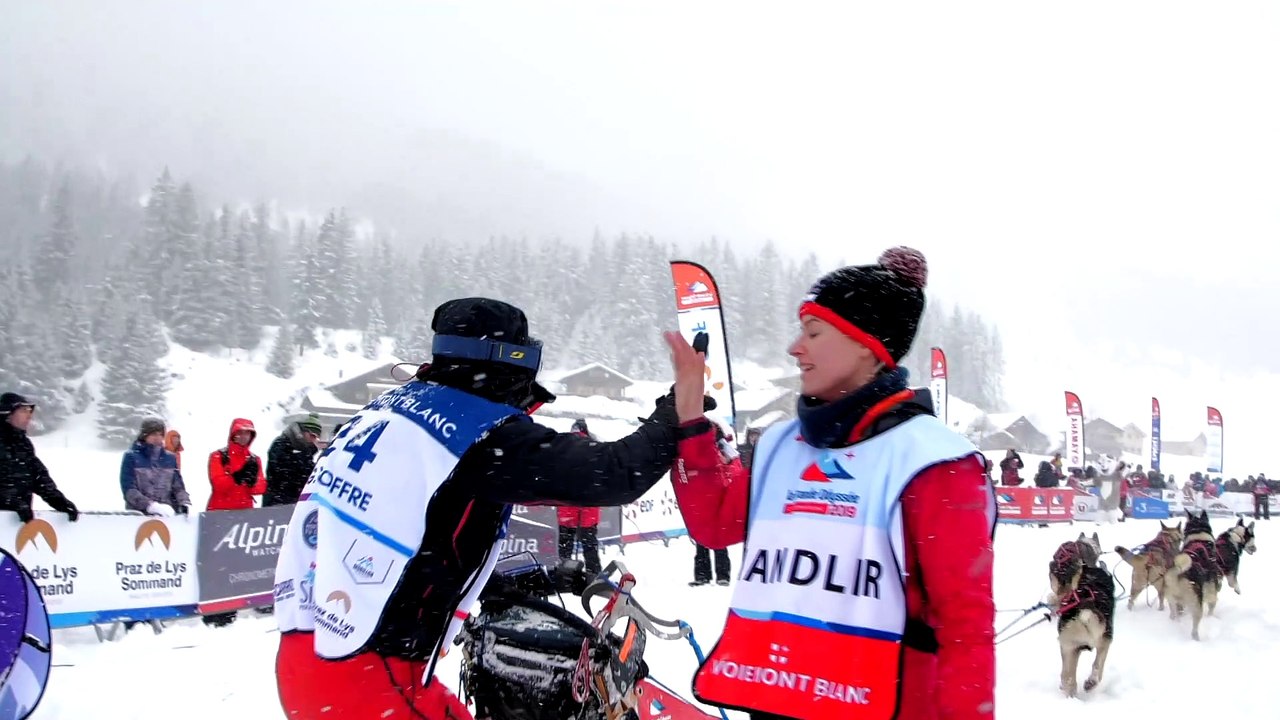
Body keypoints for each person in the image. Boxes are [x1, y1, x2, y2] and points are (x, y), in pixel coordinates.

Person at [273, 297, 703, 720]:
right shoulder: (473, 434)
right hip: (370, 681)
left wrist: (524, 580)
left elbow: (419, 539)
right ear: (507, 363)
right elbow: (615, 473)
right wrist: (676, 406)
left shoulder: (389, 410)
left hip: (312, 655)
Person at [667, 248, 996, 720]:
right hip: (777, 699)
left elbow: (965, 628)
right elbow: (715, 524)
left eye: (813, 332)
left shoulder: (934, 460)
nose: (794, 347)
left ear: (866, 344)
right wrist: (690, 418)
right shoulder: (782, 443)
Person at [0, 392, 78, 523]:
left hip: (17, 524)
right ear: (7, 414)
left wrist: (58, 500)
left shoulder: (23, 444)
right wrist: (10, 502)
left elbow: (38, 476)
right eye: (23, 411)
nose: (29, 415)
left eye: (30, 411)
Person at [691, 422, 740, 587]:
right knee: (701, 539)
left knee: (719, 538)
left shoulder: (724, 448)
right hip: (702, 498)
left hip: (719, 498)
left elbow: (733, 468)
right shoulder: (697, 449)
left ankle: (722, 575)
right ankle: (702, 575)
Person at [555, 418, 603, 575]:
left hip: (566, 505)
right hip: (588, 506)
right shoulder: (594, 447)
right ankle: (593, 574)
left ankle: (565, 573)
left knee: (565, 545)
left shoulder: (562, 446)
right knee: (589, 545)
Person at [121, 417, 190, 516]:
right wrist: (150, 505)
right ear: (144, 435)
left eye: (160, 434)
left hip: (166, 515)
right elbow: (129, 490)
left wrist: (184, 502)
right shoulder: (131, 457)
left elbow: (178, 487)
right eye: (153, 434)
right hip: (139, 516)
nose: (157, 438)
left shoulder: (170, 458)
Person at [206, 418, 267, 511]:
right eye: (240, 432)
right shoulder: (218, 456)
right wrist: (236, 478)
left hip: (245, 512)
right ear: (233, 434)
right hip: (220, 511)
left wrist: (253, 483)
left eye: (247, 433)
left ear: (251, 436)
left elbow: (261, 488)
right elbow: (218, 485)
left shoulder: (255, 459)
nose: (243, 436)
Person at [264, 414, 322, 507]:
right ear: (303, 431)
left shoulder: (306, 450)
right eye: (312, 435)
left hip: (294, 503)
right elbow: (281, 472)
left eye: (316, 437)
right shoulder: (281, 444)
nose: (313, 440)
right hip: (276, 502)